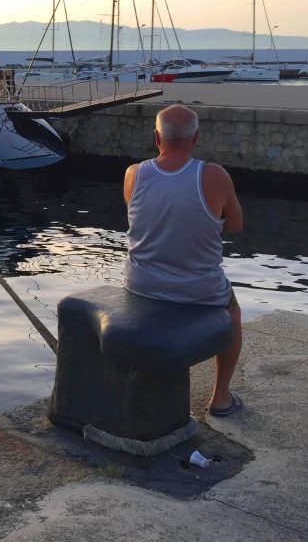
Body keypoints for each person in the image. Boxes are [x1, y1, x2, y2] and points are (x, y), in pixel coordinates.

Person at [122, 104, 244, 417]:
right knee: (233, 313)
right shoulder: (214, 175)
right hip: (199, 290)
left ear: (156, 137)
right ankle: (220, 397)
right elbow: (235, 225)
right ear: (196, 137)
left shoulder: (134, 174)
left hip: (142, 284)